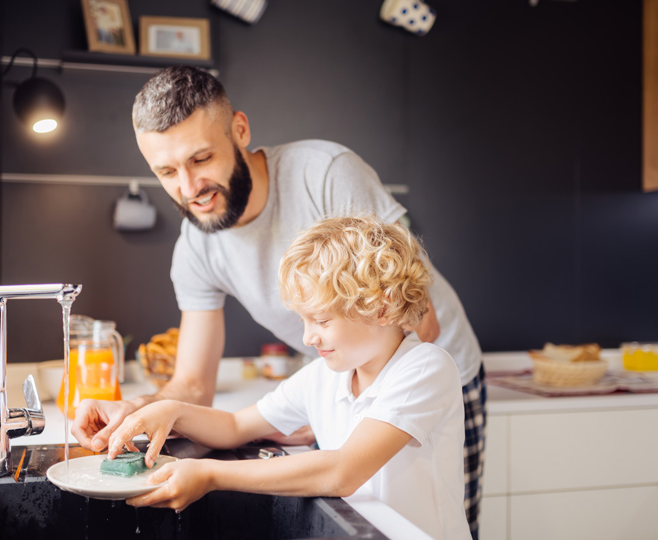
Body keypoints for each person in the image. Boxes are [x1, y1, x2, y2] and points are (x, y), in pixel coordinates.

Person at [72, 65, 486, 537]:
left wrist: (214, 473)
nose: (188, 189)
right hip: (349, 362)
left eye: (201, 158)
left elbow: (420, 326)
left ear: (240, 131)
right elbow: (195, 389)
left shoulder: (324, 175)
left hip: (428, 358)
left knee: (443, 512)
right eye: (166, 171)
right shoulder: (199, 248)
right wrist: (146, 410)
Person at [107, 215, 472, 540]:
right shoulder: (324, 376)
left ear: (383, 306)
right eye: (303, 320)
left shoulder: (424, 368)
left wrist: (210, 475)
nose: (307, 338)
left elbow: (343, 471)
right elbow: (235, 426)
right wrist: (172, 410)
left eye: (323, 320)